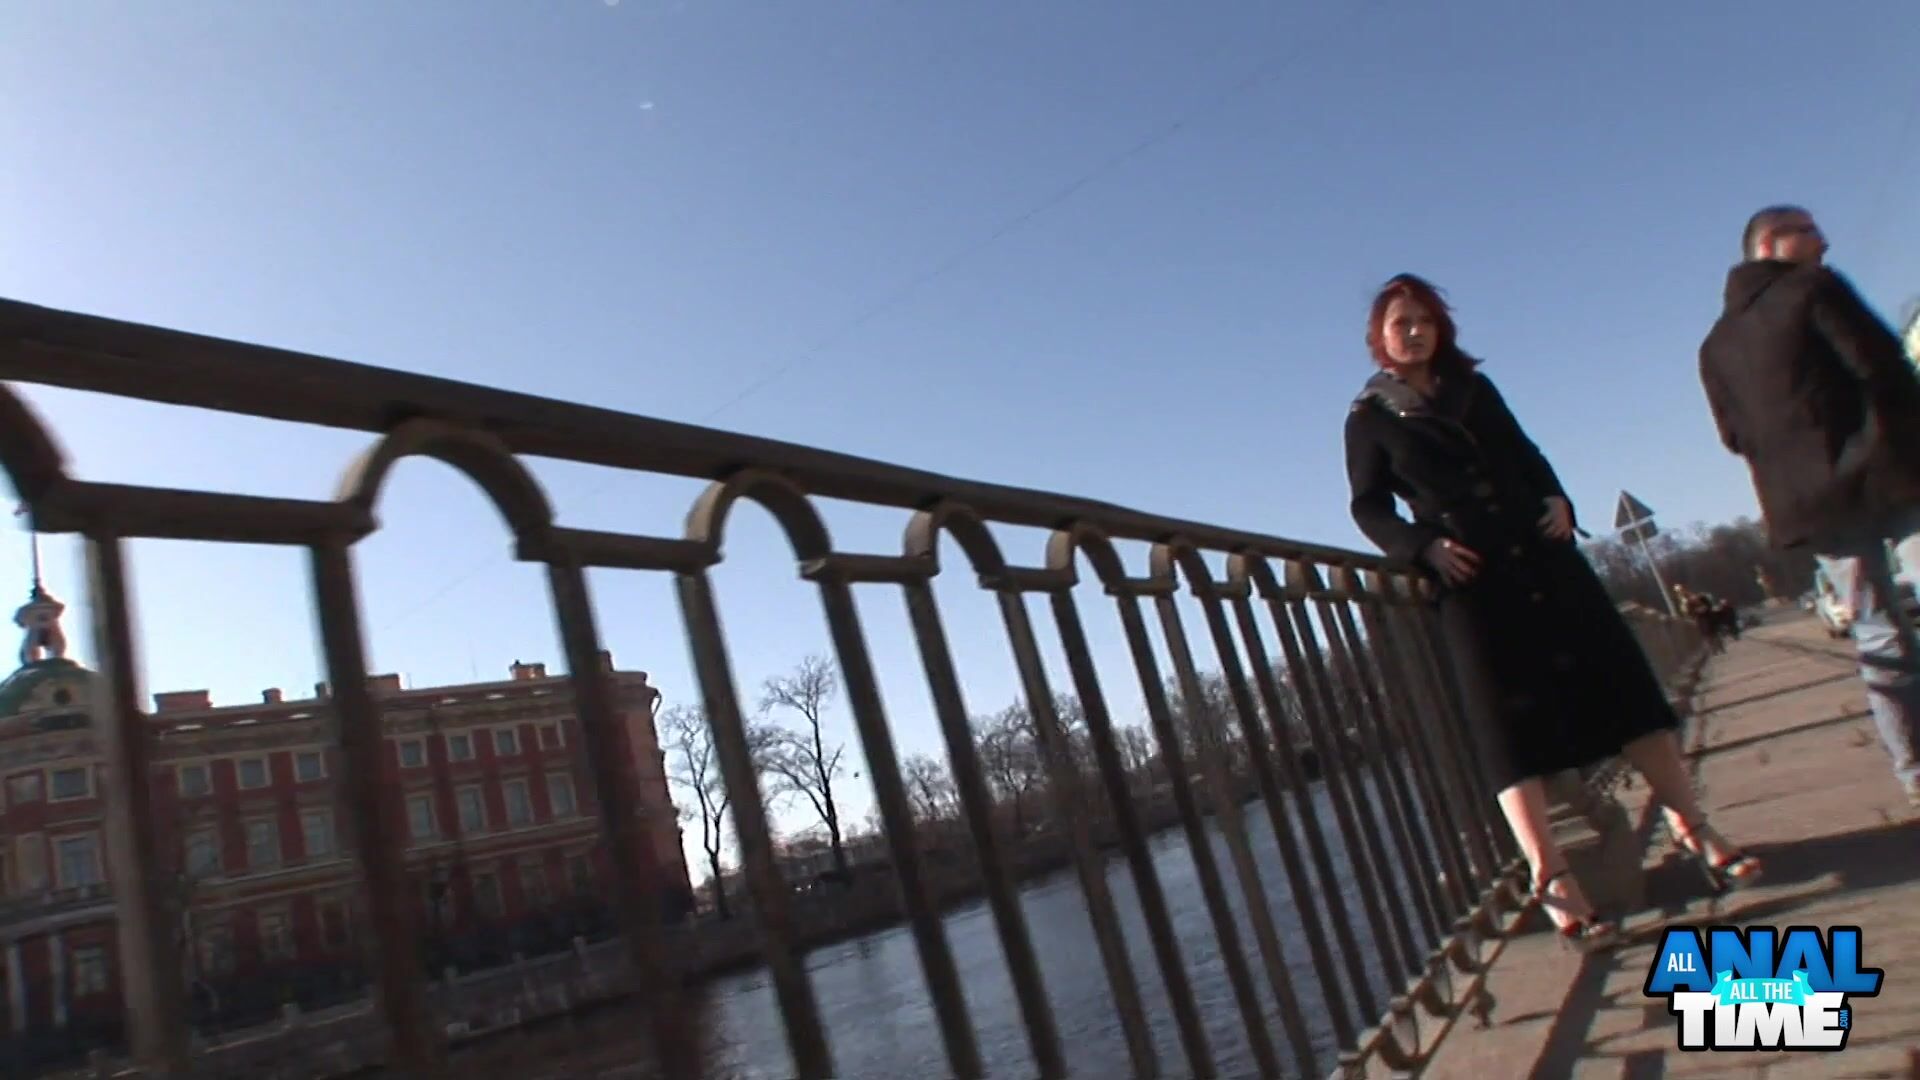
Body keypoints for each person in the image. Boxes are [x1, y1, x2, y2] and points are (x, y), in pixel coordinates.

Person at [1346, 273, 1762, 952]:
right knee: (1510, 732)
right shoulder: (1368, 417)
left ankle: (1694, 826)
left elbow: (1527, 454)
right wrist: (1421, 547)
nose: (1415, 331)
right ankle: (1553, 877)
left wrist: (1558, 499)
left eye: (1425, 320)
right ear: (1380, 338)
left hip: (1544, 558)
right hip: (1473, 580)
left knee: (1628, 692)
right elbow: (1368, 505)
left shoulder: (1474, 389)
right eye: (1401, 323)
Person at [1698, 206, 1920, 811]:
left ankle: (1913, 770)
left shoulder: (1714, 347)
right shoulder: (1814, 288)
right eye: (1811, 230)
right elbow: (1881, 366)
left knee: (1877, 632)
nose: (1824, 241)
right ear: (1773, 243)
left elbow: (1733, 436)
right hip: (1892, 473)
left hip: (1813, 505)